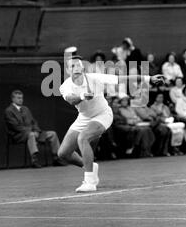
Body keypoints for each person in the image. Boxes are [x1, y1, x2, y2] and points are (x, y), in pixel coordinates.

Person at [58, 55, 164, 192]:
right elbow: (72, 100)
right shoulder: (65, 86)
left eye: (78, 65)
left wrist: (149, 78)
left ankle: (90, 182)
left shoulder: (95, 78)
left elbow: (122, 79)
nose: (76, 68)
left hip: (102, 115)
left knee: (83, 138)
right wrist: (83, 96)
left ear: (82, 67)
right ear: (68, 70)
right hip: (83, 118)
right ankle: (90, 165)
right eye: (72, 66)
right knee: (63, 154)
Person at [5, 90, 61, 168]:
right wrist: (31, 131)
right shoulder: (9, 111)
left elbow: (33, 122)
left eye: (21, 98)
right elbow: (15, 126)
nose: (21, 100)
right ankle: (34, 160)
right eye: (18, 98)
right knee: (31, 135)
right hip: (18, 135)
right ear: (13, 99)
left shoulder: (25, 109)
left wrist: (37, 130)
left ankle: (56, 158)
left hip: (33, 132)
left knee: (52, 134)